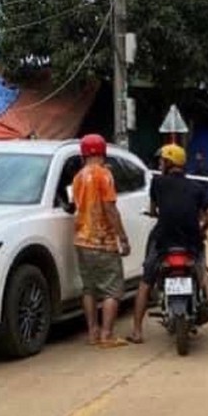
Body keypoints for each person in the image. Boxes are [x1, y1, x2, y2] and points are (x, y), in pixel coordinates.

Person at [128, 144, 208, 344]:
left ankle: (136, 330)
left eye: (162, 161)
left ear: (168, 163)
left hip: (164, 240)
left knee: (146, 280)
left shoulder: (157, 183)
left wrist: (155, 213)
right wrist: (202, 229)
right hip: (190, 241)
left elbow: (153, 210)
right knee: (201, 267)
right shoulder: (197, 187)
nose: (160, 164)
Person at [72, 134, 131, 348]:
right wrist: (122, 237)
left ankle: (92, 332)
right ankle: (107, 335)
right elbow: (110, 208)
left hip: (81, 240)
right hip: (102, 241)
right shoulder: (104, 175)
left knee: (89, 289)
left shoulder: (78, 177)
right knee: (112, 290)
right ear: (102, 152)